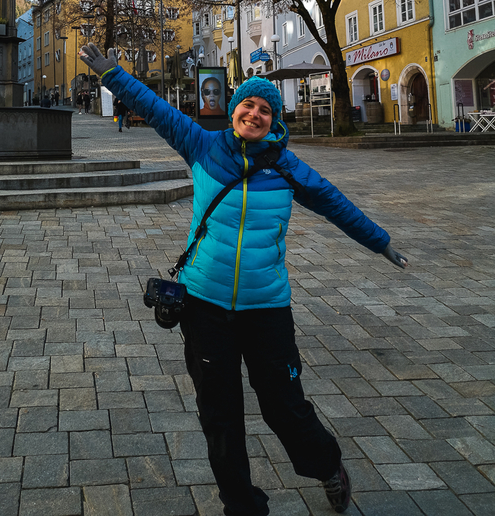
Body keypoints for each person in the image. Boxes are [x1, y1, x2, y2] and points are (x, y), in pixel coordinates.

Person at [79, 44, 408, 516]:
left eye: (264, 109)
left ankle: (326, 465)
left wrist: (379, 241)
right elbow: (154, 108)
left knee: (283, 406)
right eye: (247, 105)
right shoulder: (203, 146)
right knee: (220, 416)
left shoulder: (288, 168)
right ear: (234, 111)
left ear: (275, 122)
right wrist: (113, 74)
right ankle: (242, 505)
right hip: (205, 307)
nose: (254, 113)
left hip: (266, 308)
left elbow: (336, 205)